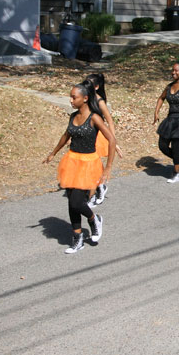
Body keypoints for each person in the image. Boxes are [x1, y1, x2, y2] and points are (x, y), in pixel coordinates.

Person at [44, 82, 116, 254]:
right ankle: (78, 238)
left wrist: (108, 168)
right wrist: (53, 153)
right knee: (71, 200)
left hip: (89, 163)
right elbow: (66, 135)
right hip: (71, 161)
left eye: (73, 97)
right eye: (70, 96)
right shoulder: (73, 116)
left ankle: (94, 219)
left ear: (84, 99)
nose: (70, 100)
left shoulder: (94, 118)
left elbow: (111, 140)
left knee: (77, 201)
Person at [84, 73, 123, 207]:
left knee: (92, 165)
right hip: (87, 133)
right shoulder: (85, 98)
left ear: (96, 87)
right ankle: (100, 185)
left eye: (89, 83)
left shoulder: (99, 101)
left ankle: (93, 195)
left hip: (98, 135)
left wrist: (114, 142)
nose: (85, 85)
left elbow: (110, 122)